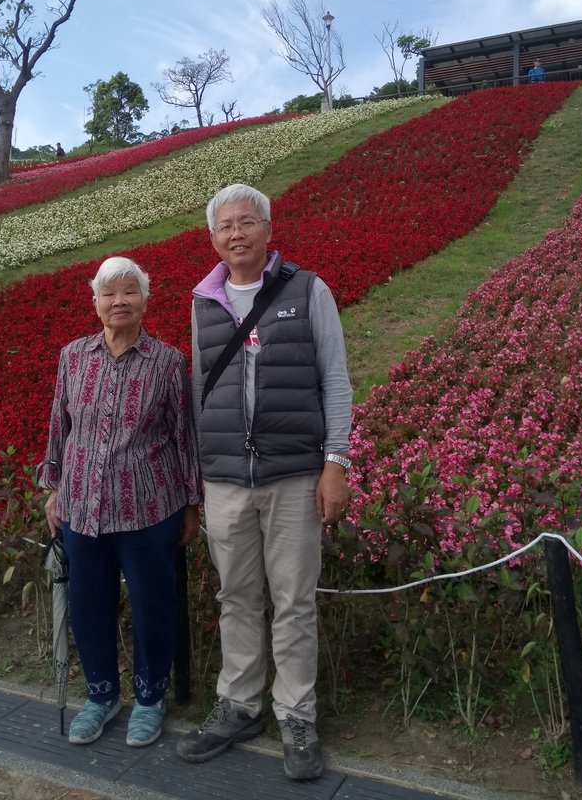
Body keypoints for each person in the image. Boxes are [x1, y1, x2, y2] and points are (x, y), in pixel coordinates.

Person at [176, 183, 353, 781]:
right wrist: (197, 480)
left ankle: (296, 715)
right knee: (236, 598)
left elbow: (335, 380)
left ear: (268, 230)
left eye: (247, 222)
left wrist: (337, 462)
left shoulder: (307, 290)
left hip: (293, 475)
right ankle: (240, 705)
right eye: (225, 225)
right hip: (225, 479)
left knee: (295, 601)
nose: (236, 233)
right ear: (212, 238)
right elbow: (202, 392)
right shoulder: (202, 302)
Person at [38, 256, 201, 749]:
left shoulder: (167, 361)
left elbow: (183, 437)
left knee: (153, 604)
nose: (119, 302)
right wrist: (54, 488)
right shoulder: (73, 357)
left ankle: (150, 698)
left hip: (150, 508)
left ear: (146, 301)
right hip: (81, 507)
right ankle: (102, 694)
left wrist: (192, 503)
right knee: (90, 604)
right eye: (109, 294)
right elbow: (58, 428)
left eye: (129, 292)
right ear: (95, 304)